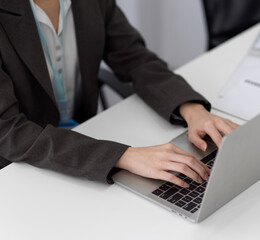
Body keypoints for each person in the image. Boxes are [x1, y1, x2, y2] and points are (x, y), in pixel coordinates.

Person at [0, 0, 238, 187]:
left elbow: (134, 57)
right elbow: (8, 131)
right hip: (20, 167)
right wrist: (122, 156)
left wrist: (192, 109)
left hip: (85, 135)